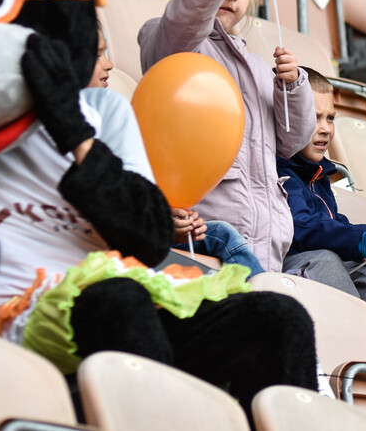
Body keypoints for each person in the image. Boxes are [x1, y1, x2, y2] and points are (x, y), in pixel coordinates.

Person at [138, 0, 316, 273]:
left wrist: (293, 86)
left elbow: (293, 141)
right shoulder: (171, 39)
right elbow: (185, 18)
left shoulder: (259, 67)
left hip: (266, 240)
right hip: (206, 233)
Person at [92, 22, 265, 277]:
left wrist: (170, 219)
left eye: (106, 53)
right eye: (96, 54)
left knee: (221, 235)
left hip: (141, 234)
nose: (109, 64)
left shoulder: (110, 120)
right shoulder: (65, 134)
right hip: (112, 251)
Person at [277, 67, 366, 364]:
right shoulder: (281, 173)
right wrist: (360, 240)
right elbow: (301, 228)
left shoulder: (318, 173)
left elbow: (331, 223)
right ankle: (365, 357)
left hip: (316, 264)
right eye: (313, 117)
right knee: (327, 259)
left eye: (330, 117)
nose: (325, 128)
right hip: (291, 268)